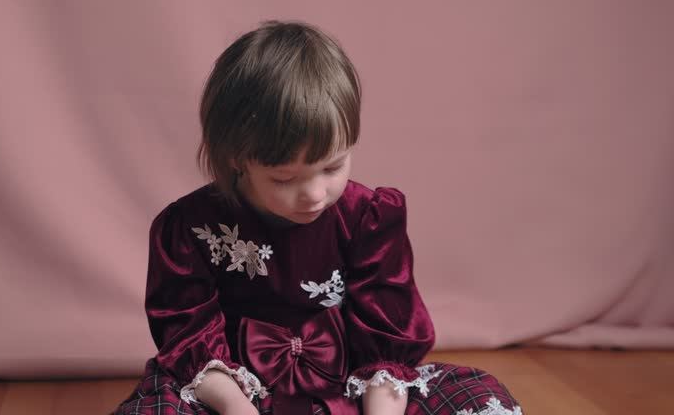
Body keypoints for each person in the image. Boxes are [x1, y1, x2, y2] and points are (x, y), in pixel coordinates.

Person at [114, 20, 521, 415]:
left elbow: (385, 342)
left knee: (483, 399)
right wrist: (237, 407)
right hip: (233, 392)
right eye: (284, 177)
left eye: (332, 167)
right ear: (238, 158)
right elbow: (188, 337)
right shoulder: (189, 229)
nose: (313, 194)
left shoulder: (368, 218)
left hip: (351, 387)